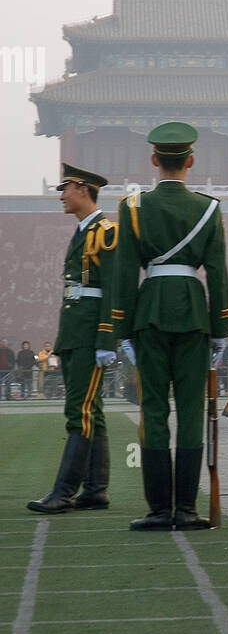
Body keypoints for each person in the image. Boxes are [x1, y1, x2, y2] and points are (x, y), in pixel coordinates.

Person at [113, 123, 228, 530]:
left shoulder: (132, 207)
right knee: (193, 411)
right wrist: (221, 329)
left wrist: (122, 330)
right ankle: (187, 509)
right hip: (195, 316)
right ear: (191, 161)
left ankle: (159, 510)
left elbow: (126, 274)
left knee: (155, 410)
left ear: (154, 160)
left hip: (149, 313)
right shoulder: (210, 208)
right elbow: (217, 274)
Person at [26, 166, 117, 513]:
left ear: (83, 189)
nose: (61, 194)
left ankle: (63, 492)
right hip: (76, 333)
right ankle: (95, 489)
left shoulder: (106, 232)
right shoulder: (83, 231)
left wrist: (106, 338)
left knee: (79, 412)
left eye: (65, 188)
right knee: (91, 410)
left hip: (91, 334)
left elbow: (113, 288)